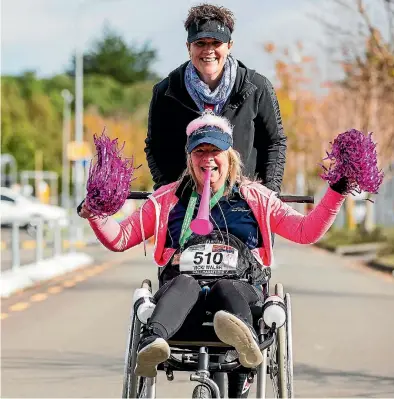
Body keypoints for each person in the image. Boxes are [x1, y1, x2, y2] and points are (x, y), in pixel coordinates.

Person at [79, 112, 348, 398]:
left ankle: (244, 337)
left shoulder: (255, 198)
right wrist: (96, 214)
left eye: (214, 151)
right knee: (185, 284)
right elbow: (120, 238)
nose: (207, 158)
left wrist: (337, 192)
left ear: (229, 156)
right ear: (189, 157)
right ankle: (153, 341)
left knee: (226, 287)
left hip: (239, 293)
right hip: (184, 303)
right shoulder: (167, 200)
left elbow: (306, 231)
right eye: (200, 151)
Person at [144, 3, 287, 194]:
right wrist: (169, 192)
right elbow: (155, 147)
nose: (208, 51)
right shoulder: (166, 91)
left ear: (229, 46)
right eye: (200, 43)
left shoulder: (257, 87)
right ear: (188, 47)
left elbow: (275, 142)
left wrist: (268, 194)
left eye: (216, 43)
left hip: (244, 204)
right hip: (185, 203)